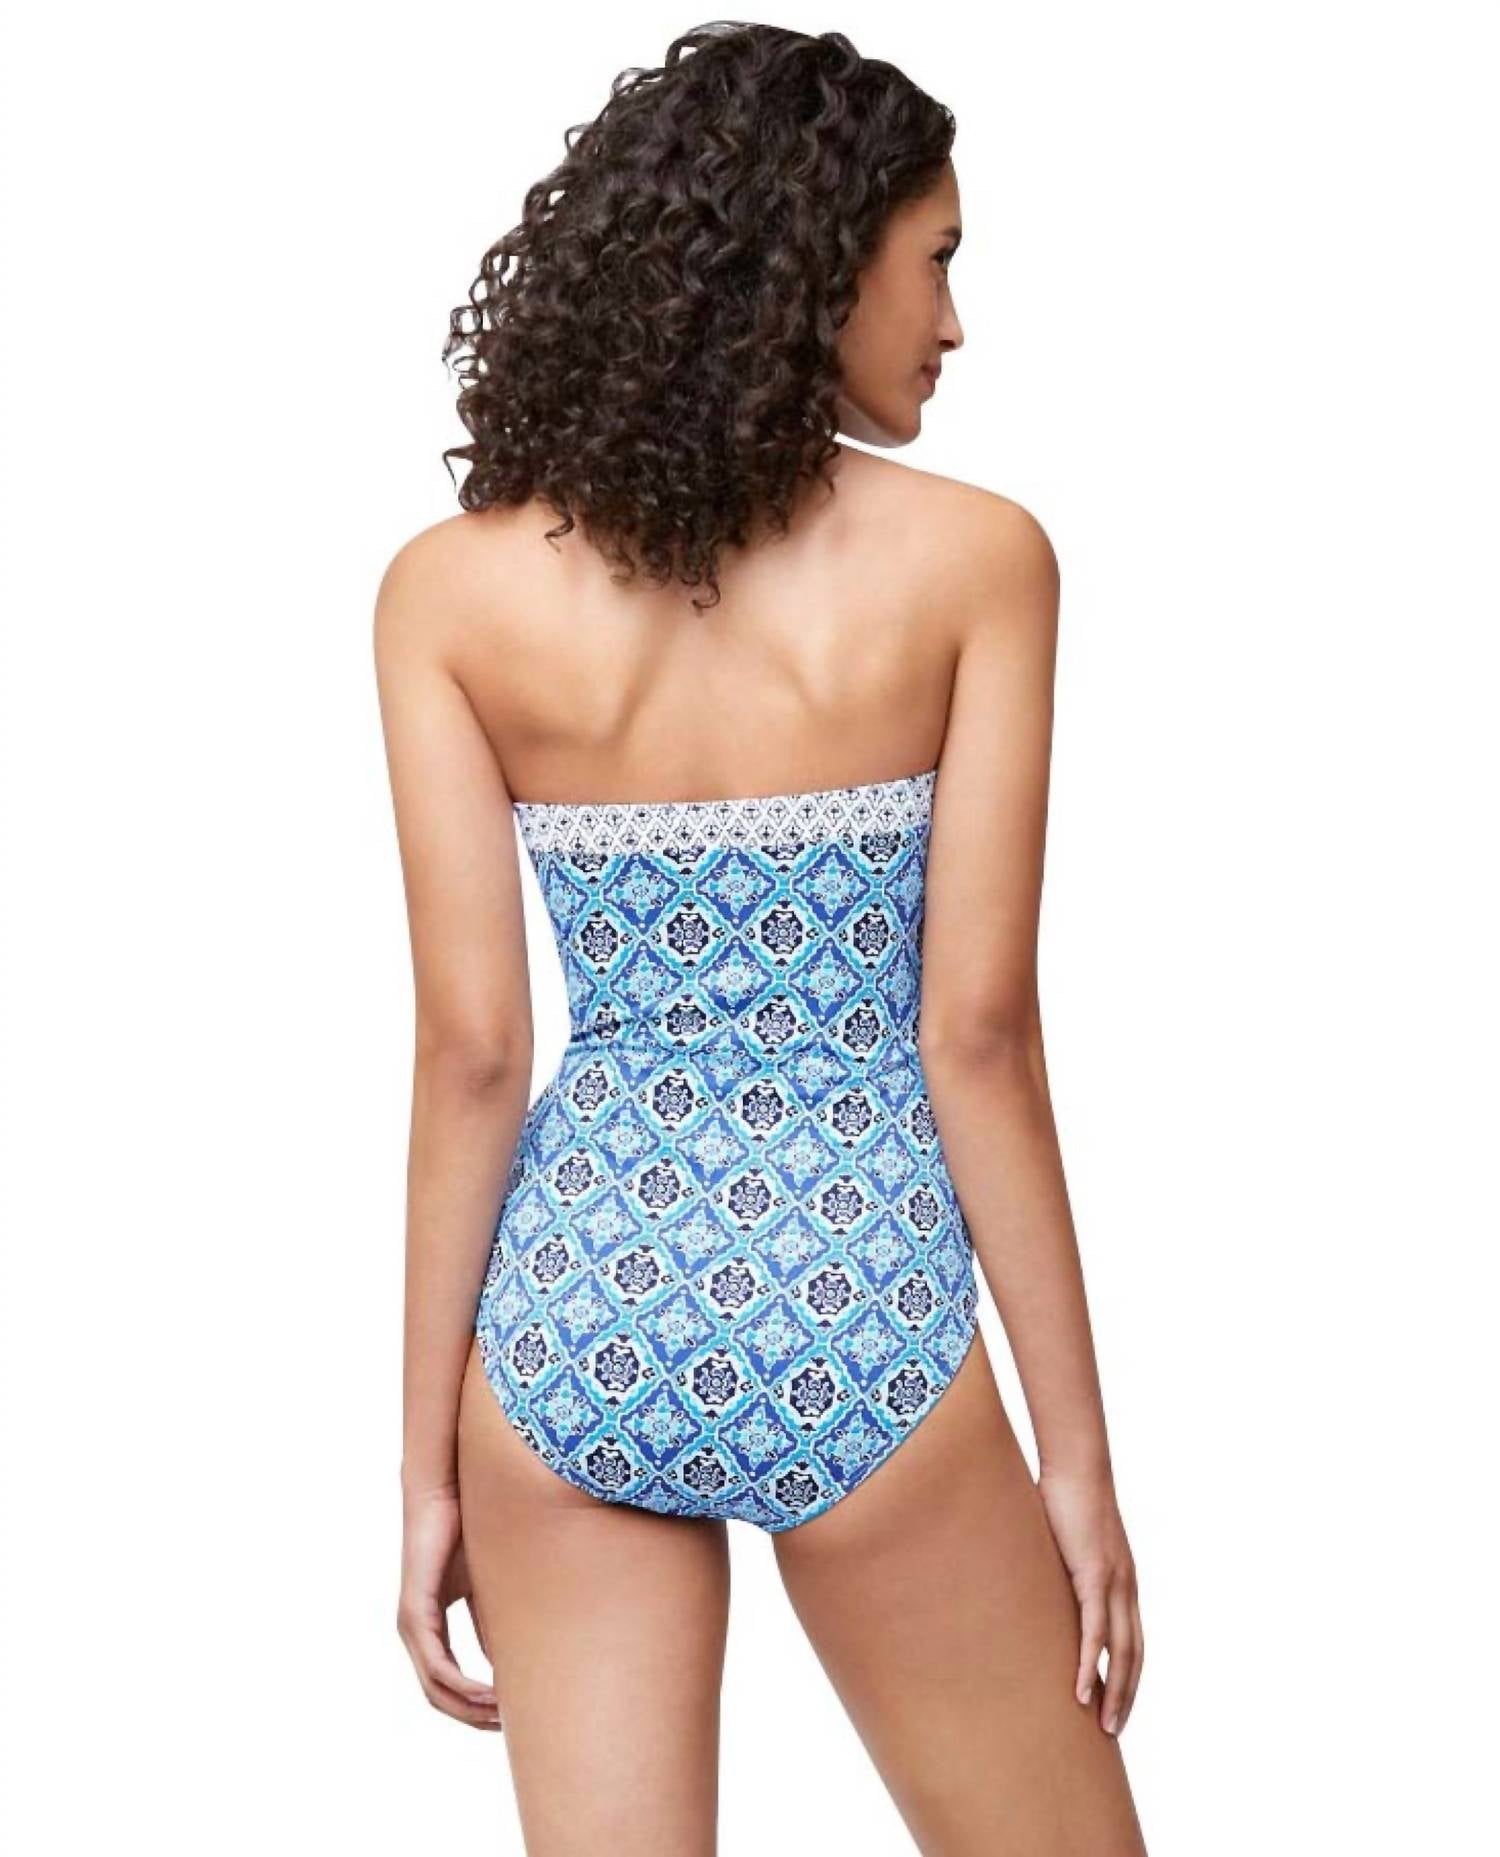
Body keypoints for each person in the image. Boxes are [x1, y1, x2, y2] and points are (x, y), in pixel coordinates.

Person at [375, 21, 1148, 1855]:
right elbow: (977, 1037)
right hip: (855, 1301)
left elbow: (474, 1053)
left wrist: (424, 1466)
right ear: (823, 256)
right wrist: (1078, 1460)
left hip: (570, 1316)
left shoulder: (448, 594)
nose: (952, 322)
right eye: (935, 260)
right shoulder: (980, 563)